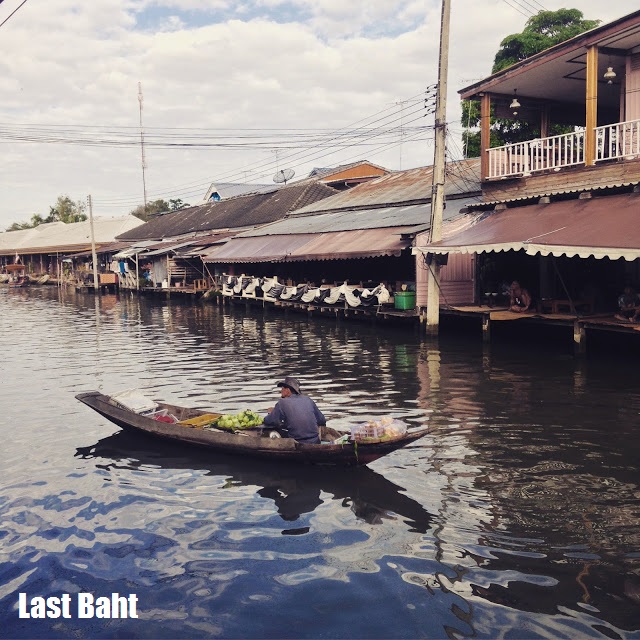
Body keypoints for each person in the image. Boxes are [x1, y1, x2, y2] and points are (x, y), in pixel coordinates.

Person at [263, 376, 326, 444]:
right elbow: (322, 420)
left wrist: (270, 413)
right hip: (315, 441)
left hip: (297, 443)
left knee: (274, 431)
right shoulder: (308, 400)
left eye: (283, 388)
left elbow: (270, 421)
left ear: (288, 390)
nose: (281, 391)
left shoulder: (282, 402)